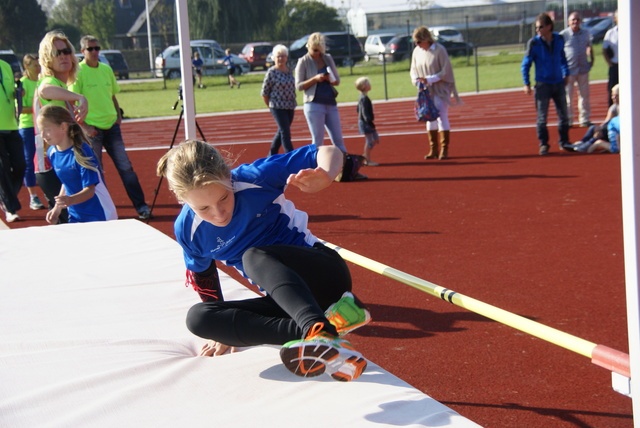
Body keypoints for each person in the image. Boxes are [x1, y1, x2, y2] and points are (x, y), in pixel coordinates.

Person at [156, 140, 371, 382]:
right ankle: (327, 328)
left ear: (229, 177)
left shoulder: (254, 178)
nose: (218, 214)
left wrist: (326, 174)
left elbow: (328, 151)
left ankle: (317, 331)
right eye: (203, 208)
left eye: (224, 198)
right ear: (182, 200)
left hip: (325, 275)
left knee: (253, 256)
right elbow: (204, 277)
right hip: (289, 303)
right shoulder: (188, 230)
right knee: (199, 318)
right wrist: (223, 329)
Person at [70, 35, 152, 220]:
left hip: (112, 127)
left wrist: (118, 115)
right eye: (90, 49)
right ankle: (106, 212)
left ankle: (141, 206)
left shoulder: (106, 69)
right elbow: (72, 103)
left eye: (97, 48)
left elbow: (113, 95)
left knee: (126, 167)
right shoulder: (78, 73)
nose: (95, 52)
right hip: (92, 130)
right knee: (96, 173)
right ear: (82, 52)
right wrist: (85, 127)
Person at [36, 30, 89, 223]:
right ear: (47, 59)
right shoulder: (50, 82)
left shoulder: (63, 89)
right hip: (52, 163)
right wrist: (80, 97)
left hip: (63, 162)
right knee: (69, 221)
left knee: (70, 219)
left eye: (67, 51)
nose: (64, 56)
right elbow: (44, 90)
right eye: (56, 53)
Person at [38, 104, 117, 224]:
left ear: (63, 127)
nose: (43, 135)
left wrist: (69, 200)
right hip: (75, 215)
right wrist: (57, 209)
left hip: (100, 215)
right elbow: (66, 181)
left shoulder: (82, 152)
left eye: (47, 130)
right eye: (41, 131)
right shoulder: (52, 152)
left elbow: (90, 190)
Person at [521, 12, 571, 155]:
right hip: (543, 84)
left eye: (540, 27)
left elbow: (563, 57)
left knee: (564, 115)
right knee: (542, 117)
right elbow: (526, 64)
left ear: (549, 26)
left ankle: (564, 141)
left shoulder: (559, 39)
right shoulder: (534, 43)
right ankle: (544, 143)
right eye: (536, 27)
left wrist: (566, 73)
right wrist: (526, 82)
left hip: (558, 82)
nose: (538, 30)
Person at [410, 26, 462, 160]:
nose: (417, 45)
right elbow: (413, 69)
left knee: (441, 115)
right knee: (429, 116)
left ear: (426, 39)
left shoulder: (439, 50)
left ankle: (444, 149)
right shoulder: (417, 51)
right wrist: (416, 80)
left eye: (418, 42)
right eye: (415, 42)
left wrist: (430, 79)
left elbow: (445, 71)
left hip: (440, 88)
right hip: (425, 90)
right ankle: (433, 149)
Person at [295, 32, 347, 153]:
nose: (317, 54)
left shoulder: (327, 58)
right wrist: (315, 79)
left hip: (330, 102)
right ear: (308, 46)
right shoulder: (303, 61)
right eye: (314, 50)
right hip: (313, 103)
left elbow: (337, 81)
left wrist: (330, 79)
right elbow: (298, 86)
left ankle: (346, 167)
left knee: (339, 140)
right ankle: (316, 166)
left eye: (319, 50)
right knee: (318, 141)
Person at [17, 54, 46, 211]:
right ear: (27, 67)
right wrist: (38, 108)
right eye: (35, 65)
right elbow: (20, 109)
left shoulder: (42, 81)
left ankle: (51, 192)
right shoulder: (22, 84)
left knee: (48, 159)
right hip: (28, 126)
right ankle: (33, 197)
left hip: (44, 125)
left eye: (39, 65)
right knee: (29, 161)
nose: (38, 68)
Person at [0, 58, 26, 223]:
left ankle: (6, 196)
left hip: (11, 124)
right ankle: (10, 207)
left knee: (20, 165)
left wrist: (19, 93)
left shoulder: (6, 66)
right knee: (2, 166)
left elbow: (9, 92)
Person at [261, 44, 297, 156]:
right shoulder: (272, 72)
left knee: (282, 131)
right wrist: (270, 106)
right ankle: (290, 155)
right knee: (285, 132)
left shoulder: (289, 70)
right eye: (278, 56)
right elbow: (265, 92)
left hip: (290, 106)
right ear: (274, 58)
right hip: (277, 106)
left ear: (286, 57)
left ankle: (271, 154)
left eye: (283, 56)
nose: (280, 59)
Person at [560, 11, 594, 127]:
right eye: (573, 20)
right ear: (568, 22)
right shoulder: (563, 35)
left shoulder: (585, 33)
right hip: (569, 70)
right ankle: (569, 120)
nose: (575, 22)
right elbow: (559, 52)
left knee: (584, 96)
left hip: (583, 69)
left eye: (577, 19)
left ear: (580, 21)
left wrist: (592, 59)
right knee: (568, 97)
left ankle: (584, 119)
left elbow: (589, 46)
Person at [570, 84, 619, 153]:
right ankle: (582, 143)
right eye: (612, 95)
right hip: (613, 131)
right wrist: (599, 128)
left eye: (616, 96)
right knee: (593, 128)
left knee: (600, 132)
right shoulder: (614, 107)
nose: (613, 98)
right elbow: (607, 121)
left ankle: (588, 144)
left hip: (618, 133)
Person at [355, 76, 380, 166]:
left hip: (365, 122)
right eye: (368, 83)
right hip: (366, 123)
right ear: (364, 86)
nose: (370, 85)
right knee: (370, 141)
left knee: (374, 139)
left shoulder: (362, 97)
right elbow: (364, 112)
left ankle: (366, 156)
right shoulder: (364, 98)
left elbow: (358, 109)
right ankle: (367, 160)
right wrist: (369, 122)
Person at [602, 10, 618, 107]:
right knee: (612, 90)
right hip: (615, 66)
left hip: (629, 67)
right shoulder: (610, 33)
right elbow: (604, 50)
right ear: (615, 19)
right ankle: (612, 112)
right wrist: (610, 63)